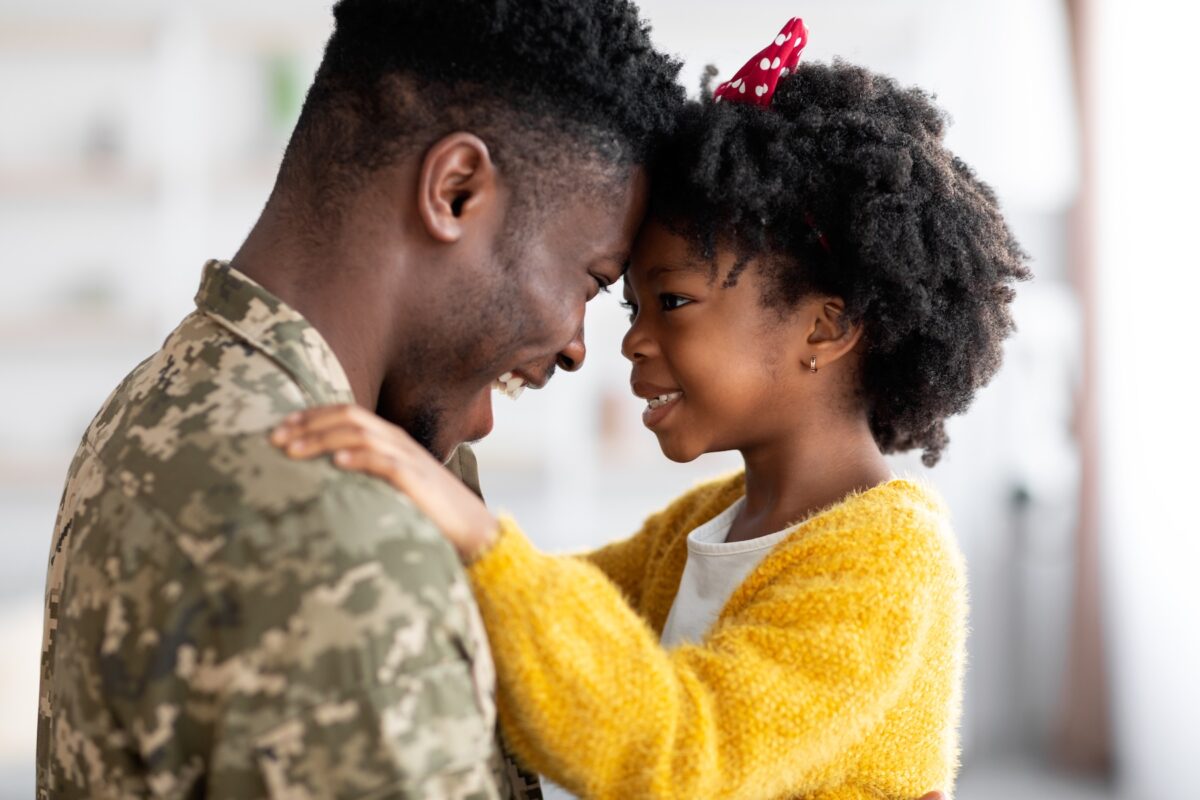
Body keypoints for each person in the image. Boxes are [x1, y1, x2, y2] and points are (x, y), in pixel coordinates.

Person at [273, 18, 1029, 800]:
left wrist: (479, 537)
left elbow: (681, 754)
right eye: (631, 308)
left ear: (825, 326)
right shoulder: (704, 526)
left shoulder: (889, 556)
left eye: (673, 301)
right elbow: (546, 641)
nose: (632, 343)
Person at [35, 0, 684, 797]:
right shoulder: (349, 544)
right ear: (455, 192)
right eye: (591, 281)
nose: (581, 345)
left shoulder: (160, 397)